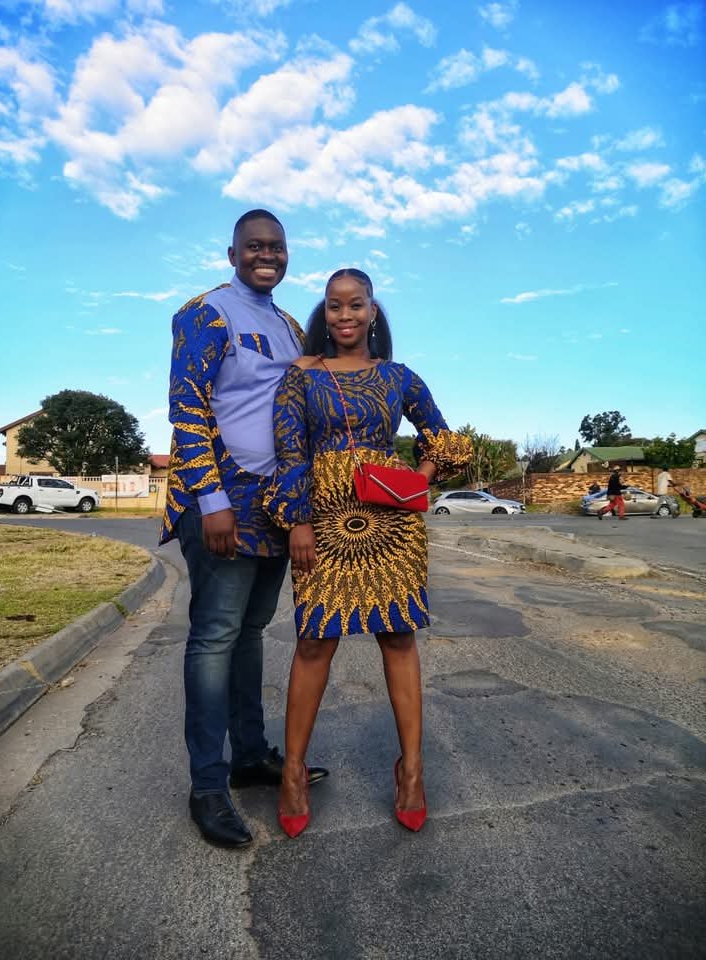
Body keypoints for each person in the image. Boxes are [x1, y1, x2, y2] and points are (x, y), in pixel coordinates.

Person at [263, 268, 473, 838]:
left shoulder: (399, 377)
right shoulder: (301, 376)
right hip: (323, 520)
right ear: (324, 312)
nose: (345, 315)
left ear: (373, 310)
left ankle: (412, 770)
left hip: (391, 523)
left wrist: (418, 479)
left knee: (399, 636)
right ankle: (293, 772)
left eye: (356, 304)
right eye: (335, 306)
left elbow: (444, 439)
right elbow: (289, 454)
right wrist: (297, 520)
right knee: (314, 640)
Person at [160, 209, 327, 848]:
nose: (267, 255)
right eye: (254, 246)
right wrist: (211, 499)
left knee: (250, 632)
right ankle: (207, 786)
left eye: (276, 247)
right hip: (224, 502)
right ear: (232, 253)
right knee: (214, 637)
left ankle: (250, 756)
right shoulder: (206, 313)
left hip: (274, 508)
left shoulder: (289, 326)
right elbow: (187, 407)